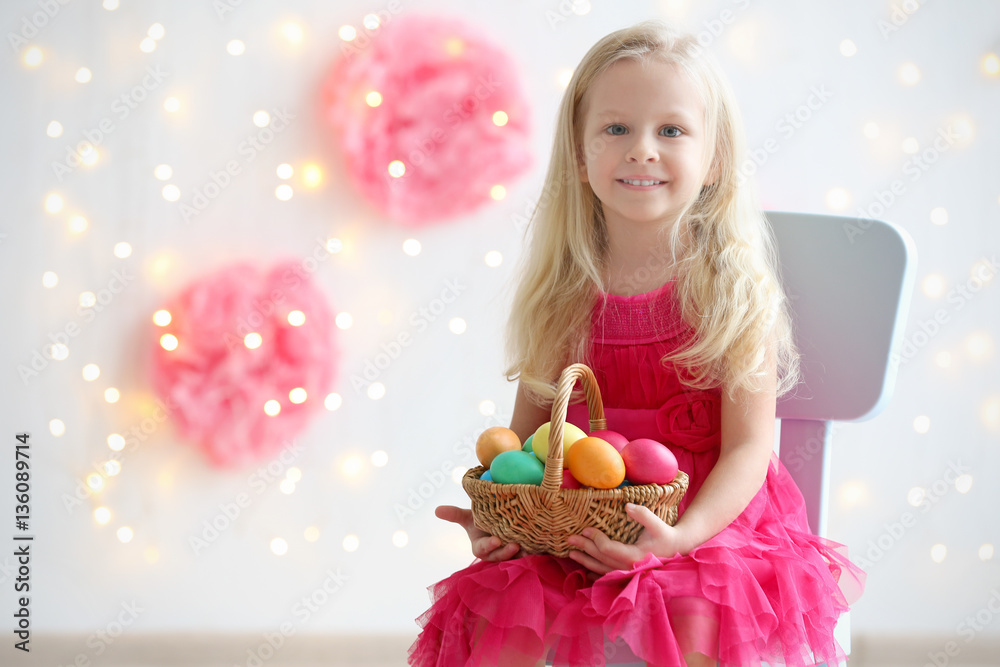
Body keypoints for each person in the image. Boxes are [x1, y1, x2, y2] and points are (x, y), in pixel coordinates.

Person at [408, 19, 864, 667]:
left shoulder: (731, 290)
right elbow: (528, 446)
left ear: (715, 161)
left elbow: (747, 447)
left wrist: (679, 538)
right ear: (579, 153)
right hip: (579, 531)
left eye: (671, 130)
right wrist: (504, 517)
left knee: (696, 612)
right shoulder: (562, 295)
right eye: (616, 128)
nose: (642, 149)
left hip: (707, 528)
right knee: (501, 608)